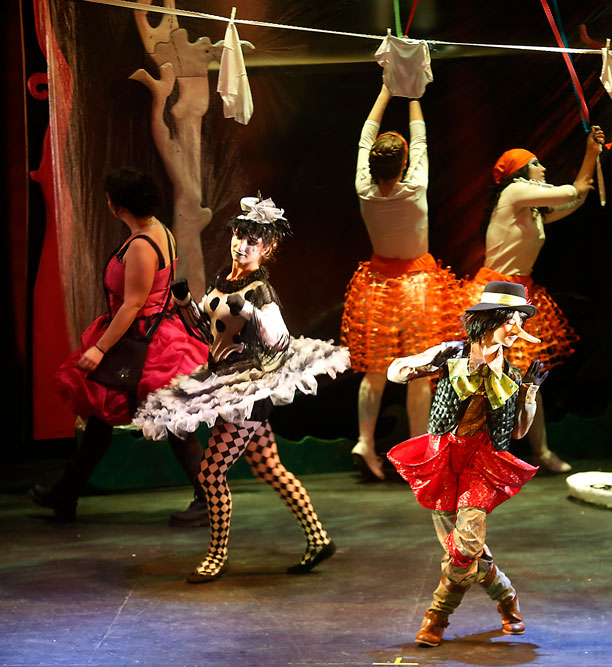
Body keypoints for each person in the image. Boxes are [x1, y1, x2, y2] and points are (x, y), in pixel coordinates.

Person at [133, 196, 350, 583]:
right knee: (268, 467)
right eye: (239, 236)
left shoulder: (260, 291)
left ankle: (217, 555)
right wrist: (186, 304)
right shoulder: (224, 279)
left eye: (252, 241)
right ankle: (319, 539)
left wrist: (249, 311)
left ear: (267, 248)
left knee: (210, 473)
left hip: (247, 394)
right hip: (224, 380)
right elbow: (208, 331)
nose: (242, 245)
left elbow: (279, 341)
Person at [30, 168, 208, 523]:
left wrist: (99, 349)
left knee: (175, 423)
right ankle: (66, 493)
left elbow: (133, 304)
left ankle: (209, 499)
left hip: (144, 341)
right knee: (102, 418)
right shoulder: (156, 230)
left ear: (117, 206)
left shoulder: (143, 244)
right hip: (147, 335)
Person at [386, 281, 547, 647]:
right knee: (462, 550)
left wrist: (530, 392)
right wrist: (429, 361)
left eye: (520, 321)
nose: (517, 328)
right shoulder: (453, 353)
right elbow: (396, 372)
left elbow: (518, 432)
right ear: (491, 319)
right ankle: (507, 599)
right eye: (511, 319)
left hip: (480, 464)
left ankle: (436, 617)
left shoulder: (511, 375)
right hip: (442, 458)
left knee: (466, 548)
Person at [342, 83, 463, 481]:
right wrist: (412, 92)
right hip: (417, 289)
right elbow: (420, 137)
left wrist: (384, 90)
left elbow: (364, 137)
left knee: (375, 370)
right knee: (418, 374)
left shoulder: (364, 188)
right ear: (405, 163)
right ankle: (419, 452)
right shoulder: (415, 187)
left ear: (372, 165)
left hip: (377, 286)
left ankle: (364, 441)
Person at [470, 126, 605, 473]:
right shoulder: (514, 191)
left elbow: (575, 198)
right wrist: (587, 159)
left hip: (520, 295)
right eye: (536, 164)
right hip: (497, 296)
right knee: (490, 378)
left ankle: (540, 452)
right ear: (520, 173)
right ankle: (484, 454)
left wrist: (591, 154)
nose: (543, 168)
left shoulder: (531, 209)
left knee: (528, 380)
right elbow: (571, 190)